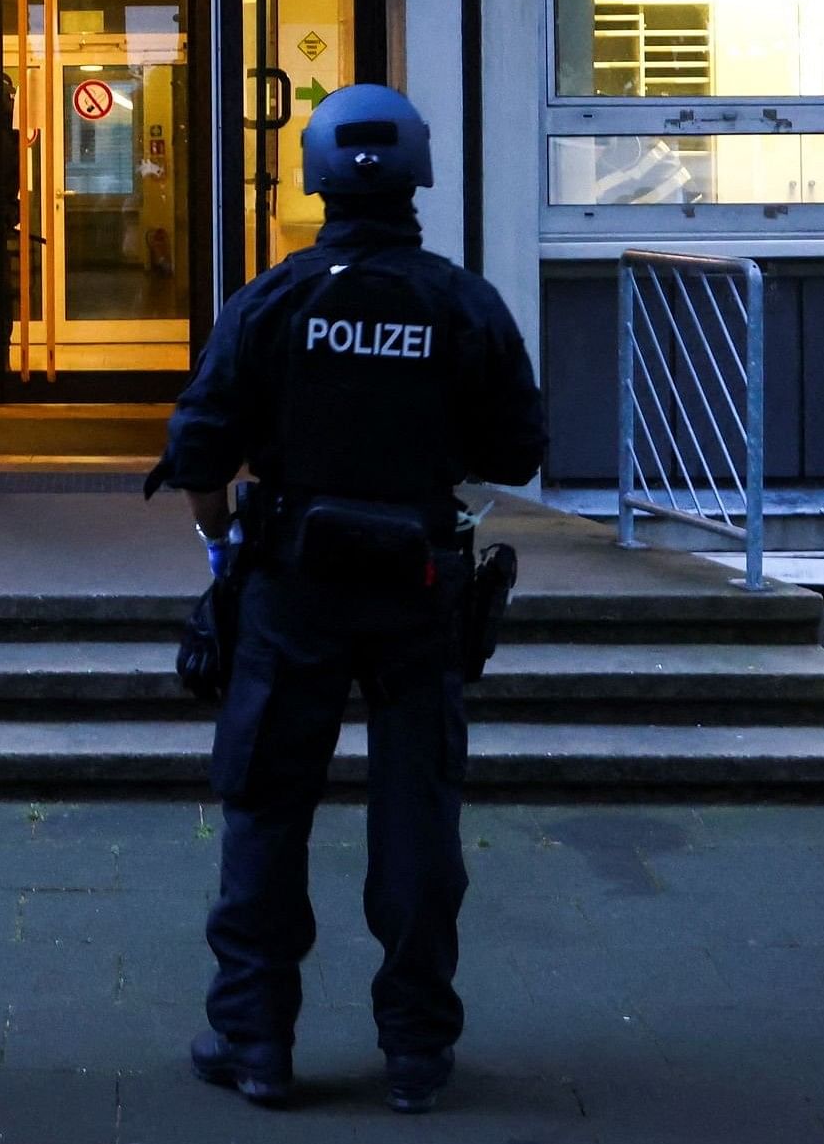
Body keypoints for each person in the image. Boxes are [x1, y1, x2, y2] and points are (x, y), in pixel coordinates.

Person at [142, 83, 548, 1117]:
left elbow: (197, 451)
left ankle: (256, 1043)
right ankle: (414, 1052)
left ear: (313, 174)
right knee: (418, 818)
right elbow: (516, 451)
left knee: (265, 811)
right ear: (416, 173)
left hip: (291, 591)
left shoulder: (273, 299)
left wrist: (221, 545)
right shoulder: (461, 303)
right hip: (418, 590)